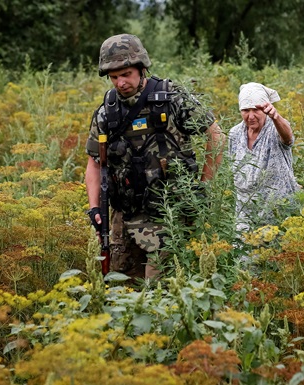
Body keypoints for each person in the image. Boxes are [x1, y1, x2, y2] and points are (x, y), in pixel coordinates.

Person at [85, 34, 224, 280]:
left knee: (161, 291)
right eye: (114, 77)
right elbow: (94, 164)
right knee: (122, 290)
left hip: (170, 212)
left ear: (141, 68)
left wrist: (204, 185)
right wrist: (95, 208)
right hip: (125, 215)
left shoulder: (171, 97)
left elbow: (216, 136)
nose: (120, 83)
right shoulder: (107, 112)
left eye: (126, 74)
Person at [228, 82, 300, 232]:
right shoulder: (234, 134)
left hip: (279, 211)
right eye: (245, 110)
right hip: (246, 212)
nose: (251, 116)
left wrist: (276, 117)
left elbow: (288, 139)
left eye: (256, 110)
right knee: (244, 252)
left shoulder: (275, 127)